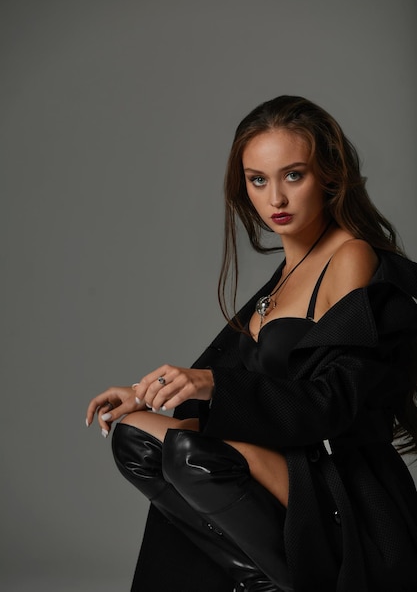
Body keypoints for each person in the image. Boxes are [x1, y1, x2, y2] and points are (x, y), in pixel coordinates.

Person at [86, 95, 417, 592]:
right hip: (290, 462)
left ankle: (274, 582)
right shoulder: (285, 275)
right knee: (133, 435)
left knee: (188, 454)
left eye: (293, 175)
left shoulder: (352, 256)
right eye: (258, 179)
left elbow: (335, 402)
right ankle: (255, 575)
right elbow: (223, 368)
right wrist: (144, 392)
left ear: (329, 175)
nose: (275, 200)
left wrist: (212, 384)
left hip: (341, 480)